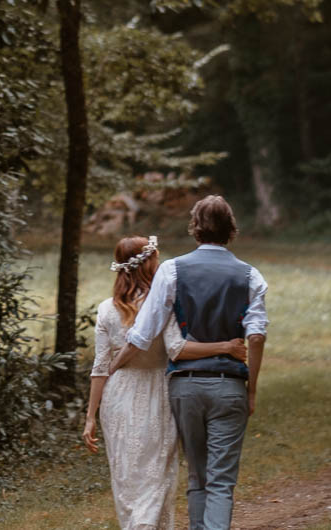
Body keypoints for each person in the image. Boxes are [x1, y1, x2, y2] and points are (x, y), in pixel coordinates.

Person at [108, 197, 268, 530]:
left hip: (185, 388)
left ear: (195, 228)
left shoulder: (171, 270)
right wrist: (251, 388)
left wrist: (112, 368)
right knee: (221, 481)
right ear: (231, 229)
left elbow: (142, 334)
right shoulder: (251, 276)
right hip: (229, 386)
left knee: (198, 475)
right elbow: (256, 337)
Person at [82, 234, 248, 530]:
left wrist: (90, 417)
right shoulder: (164, 304)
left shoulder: (107, 309)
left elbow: (100, 369)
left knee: (127, 481)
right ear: (148, 264)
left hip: (116, 396)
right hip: (157, 393)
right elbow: (177, 349)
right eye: (156, 257)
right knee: (156, 476)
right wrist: (225, 347)